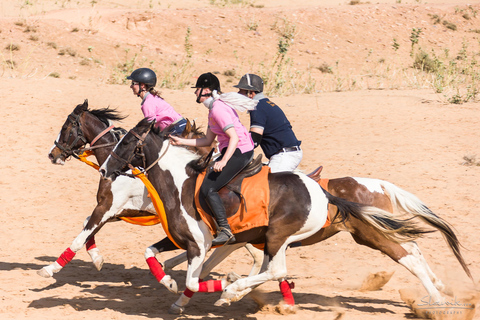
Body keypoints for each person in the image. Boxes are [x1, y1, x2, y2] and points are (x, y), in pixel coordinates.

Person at [170, 72, 255, 246]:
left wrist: (223, 161)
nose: (195, 93)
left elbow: (234, 138)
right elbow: (207, 141)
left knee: (208, 188)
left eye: (197, 90)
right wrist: (181, 141)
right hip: (232, 149)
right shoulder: (213, 109)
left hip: (240, 150)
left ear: (206, 90)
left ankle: (225, 229)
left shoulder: (218, 109)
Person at [235, 73, 302, 173]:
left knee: (265, 185)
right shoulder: (265, 104)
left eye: (242, 91)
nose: (238, 93)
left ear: (251, 93)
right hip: (287, 153)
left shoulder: (258, 107)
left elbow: (255, 138)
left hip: (284, 156)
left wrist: (235, 150)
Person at [127, 68, 187, 135]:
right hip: (179, 125)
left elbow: (149, 124)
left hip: (176, 128)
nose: (131, 86)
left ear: (142, 85)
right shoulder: (152, 97)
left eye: (133, 83)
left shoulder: (148, 102)